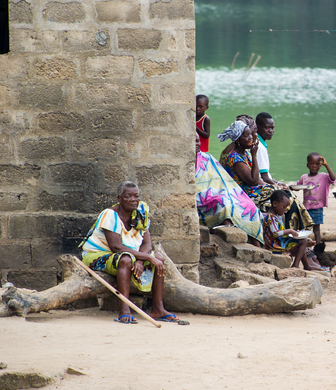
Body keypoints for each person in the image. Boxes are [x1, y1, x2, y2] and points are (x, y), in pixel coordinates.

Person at [80, 181, 179, 324]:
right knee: (126, 259)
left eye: (136, 196)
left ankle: (158, 309)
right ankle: (124, 310)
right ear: (119, 198)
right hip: (97, 255)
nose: (133, 200)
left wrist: (140, 260)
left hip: (128, 255)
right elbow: (116, 248)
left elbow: (146, 243)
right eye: (128, 196)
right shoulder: (110, 215)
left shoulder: (140, 214)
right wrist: (144, 258)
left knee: (159, 257)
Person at [218, 119, 314, 231]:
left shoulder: (244, 154)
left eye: (250, 134)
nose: (251, 138)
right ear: (238, 140)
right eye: (247, 136)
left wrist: (275, 186)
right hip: (244, 194)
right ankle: (291, 235)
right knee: (286, 200)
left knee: (285, 194)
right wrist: (254, 155)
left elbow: (257, 179)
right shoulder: (236, 159)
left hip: (253, 189)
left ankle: (299, 233)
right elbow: (253, 181)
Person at [195, 134, 264, 246]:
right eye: (193, 141)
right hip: (202, 194)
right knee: (224, 202)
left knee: (248, 204)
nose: (197, 144)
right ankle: (229, 234)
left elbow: (221, 178)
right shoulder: (234, 158)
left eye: (198, 141)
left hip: (218, 190)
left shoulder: (207, 158)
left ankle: (258, 245)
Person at [262, 190, 325, 271]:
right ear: (275, 204)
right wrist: (289, 231)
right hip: (274, 246)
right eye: (284, 207)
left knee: (302, 243)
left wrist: (294, 234)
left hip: (278, 243)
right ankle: (296, 265)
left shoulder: (276, 216)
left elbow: (280, 233)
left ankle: (306, 266)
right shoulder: (271, 217)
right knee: (303, 241)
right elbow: (275, 234)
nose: (285, 210)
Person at [297, 152, 336, 245]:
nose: (314, 166)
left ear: (320, 165)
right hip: (305, 208)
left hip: (317, 208)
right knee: (304, 229)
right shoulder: (304, 177)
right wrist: (288, 187)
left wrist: (326, 165)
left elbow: (333, 178)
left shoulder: (324, 176)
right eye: (312, 163)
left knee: (317, 230)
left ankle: (318, 248)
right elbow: (298, 186)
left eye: (317, 164)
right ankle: (304, 246)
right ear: (307, 165)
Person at [255, 112, 288, 188]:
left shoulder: (259, 143)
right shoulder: (259, 147)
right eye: (267, 128)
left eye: (272, 128)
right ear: (257, 127)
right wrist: (278, 186)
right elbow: (264, 177)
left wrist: (278, 183)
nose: (271, 131)